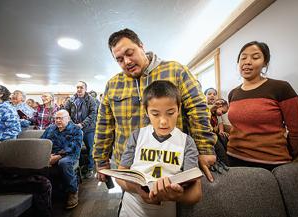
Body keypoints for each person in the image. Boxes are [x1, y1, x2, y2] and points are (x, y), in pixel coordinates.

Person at [94, 28, 216, 183]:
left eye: (129, 53)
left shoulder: (176, 71)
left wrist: (205, 148)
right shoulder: (112, 84)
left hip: (172, 164)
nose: (127, 62)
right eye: (119, 59)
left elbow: (197, 109)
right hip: (128, 168)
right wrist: (101, 159)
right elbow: (104, 124)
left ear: (141, 45)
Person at [115, 80, 201, 217]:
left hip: (165, 211)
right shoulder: (137, 136)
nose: (163, 121)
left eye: (170, 113)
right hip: (131, 208)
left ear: (178, 109)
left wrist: (174, 196)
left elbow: (195, 194)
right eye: (155, 114)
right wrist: (137, 188)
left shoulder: (186, 142)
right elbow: (120, 176)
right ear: (146, 112)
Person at [227, 41, 298, 170]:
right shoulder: (233, 93)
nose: (247, 61)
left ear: (265, 63)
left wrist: (287, 156)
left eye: (255, 57)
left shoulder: (281, 88)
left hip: (271, 163)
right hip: (233, 160)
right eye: (243, 57)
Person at [41, 110, 83, 209]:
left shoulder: (76, 129)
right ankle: (43, 191)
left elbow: (73, 147)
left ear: (68, 118)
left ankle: (72, 192)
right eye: (56, 118)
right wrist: (46, 154)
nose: (58, 120)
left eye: (61, 118)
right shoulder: (50, 129)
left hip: (70, 155)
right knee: (37, 161)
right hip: (51, 154)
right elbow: (42, 142)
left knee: (63, 163)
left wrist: (58, 156)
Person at [64, 81, 97, 178]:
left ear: (85, 89)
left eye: (81, 87)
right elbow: (66, 112)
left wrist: (82, 124)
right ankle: (77, 167)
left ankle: (90, 168)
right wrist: (72, 124)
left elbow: (93, 114)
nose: (79, 89)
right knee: (74, 148)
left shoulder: (91, 100)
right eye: (77, 87)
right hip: (74, 129)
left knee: (90, 149)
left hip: (88, 129)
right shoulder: (71, 99)